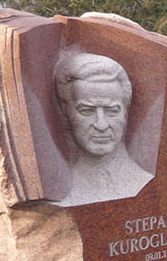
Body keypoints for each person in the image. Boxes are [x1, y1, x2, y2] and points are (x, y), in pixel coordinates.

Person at [53, 51, 152, 207]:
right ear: (65, 113)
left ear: (125, 113)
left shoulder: (143, 181)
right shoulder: (54, 188)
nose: (101, 125)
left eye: (112, 111)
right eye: (87, 111)